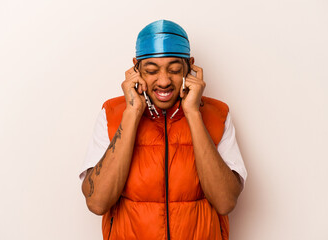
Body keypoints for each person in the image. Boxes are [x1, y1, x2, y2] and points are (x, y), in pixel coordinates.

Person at [79, 19, 247, 240]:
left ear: (191, 67)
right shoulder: (112, 113)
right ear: (135, 69)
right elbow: (97, 202)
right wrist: (131, 113)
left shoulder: (218, 114)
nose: (164, 81)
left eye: (175, 70)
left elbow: (225, 202)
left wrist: (194, 114)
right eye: (151, 71)